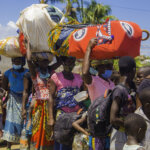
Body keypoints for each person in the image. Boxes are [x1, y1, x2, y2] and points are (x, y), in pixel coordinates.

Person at [26, 39, 61, 150]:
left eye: (47, 61)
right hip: (39, 106)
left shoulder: (51, 71)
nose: (45, 63)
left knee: (49, 131)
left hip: (51, 105)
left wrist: (56, 46)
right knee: (37, 130)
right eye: (42, 61)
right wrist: (28, 45)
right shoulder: (34, 73)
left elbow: (60, 61)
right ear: (38, 61)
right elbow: (28, 60)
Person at [82, 38, 114, 150]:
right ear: (98, 68)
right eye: (107, 66)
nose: (110, 69)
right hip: (97, 124)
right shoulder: (94, 81)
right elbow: (85, 72)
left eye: (111, 66)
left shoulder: (112, 83)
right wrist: (88, 48)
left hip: (110, 125)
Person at [51, 56, 83, 150]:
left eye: (72, 61)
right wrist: (51, 118)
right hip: (62, 114)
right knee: (61, 139)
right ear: (63, 62)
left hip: (75, 115)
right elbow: (51, 97)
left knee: (72, 141)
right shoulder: (56, 77)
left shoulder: (78, 77)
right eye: (68, 61)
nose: (70, 64)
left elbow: (82, 95)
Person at [110, 56, 137, 150]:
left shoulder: (130, 87)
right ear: (133, 70)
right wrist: (131, 125)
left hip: (128, 133)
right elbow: (113, 119)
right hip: (120, 136)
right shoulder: (119, 90)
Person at [2, 57, 28, 149]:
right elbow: (3, 88)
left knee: (24, 121)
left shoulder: (27, 73)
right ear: (12, 62)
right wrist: (3, 100)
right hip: (12, 99)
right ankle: (9, 146)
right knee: (11, 121)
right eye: (14, 61)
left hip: (25, 99)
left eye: (19, 61)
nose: (16, 63)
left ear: (23, 62)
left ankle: (23, 145)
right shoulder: (7, 73)